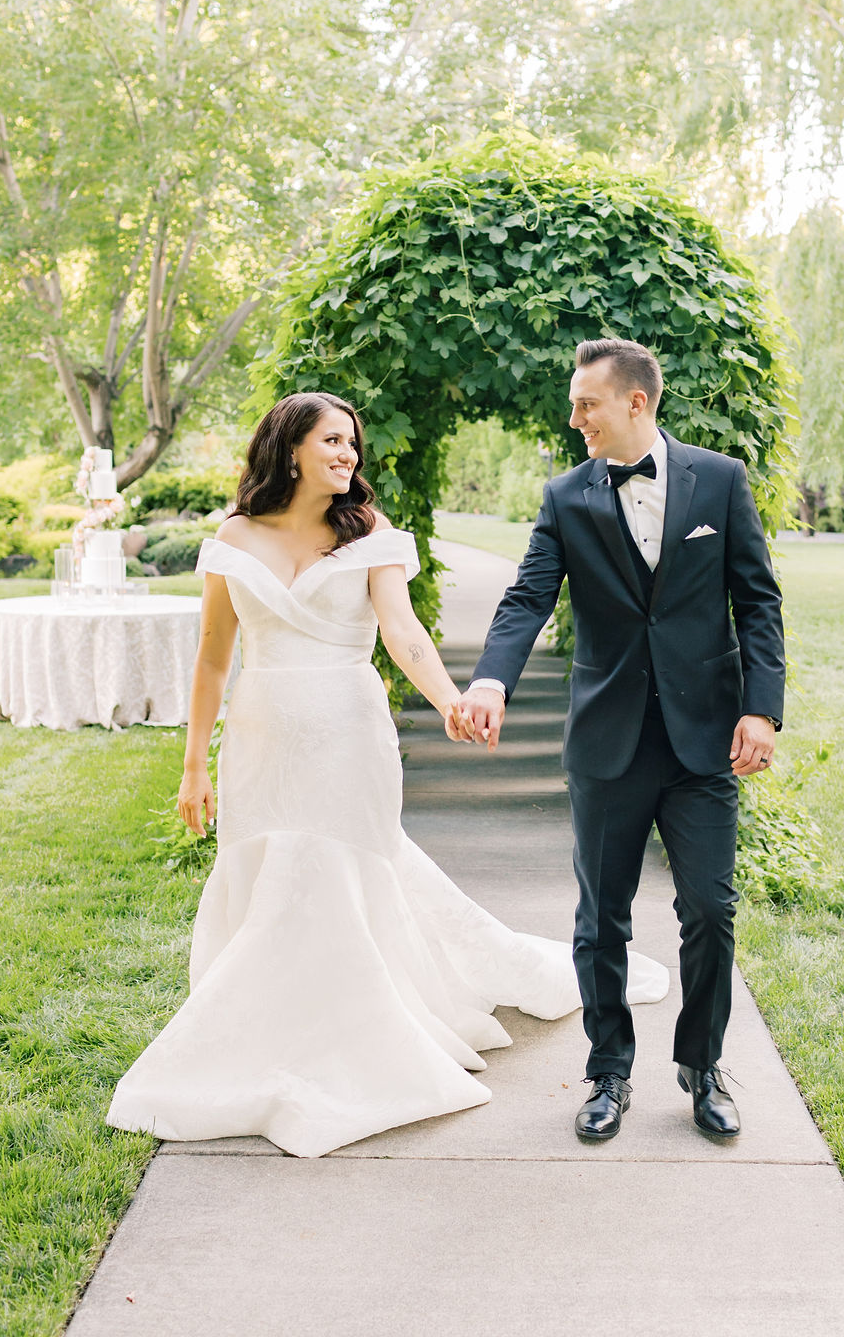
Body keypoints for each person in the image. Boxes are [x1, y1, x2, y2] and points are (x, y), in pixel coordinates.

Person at [107, 391, 668, 1158]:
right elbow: (211, 659)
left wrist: (450, 702)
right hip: (262, 736)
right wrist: (191, 767)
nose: (348, 455)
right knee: (271, 866)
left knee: (338, 866)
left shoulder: (368, 531)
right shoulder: (234, 536)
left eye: (353, 444)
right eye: (333, 441)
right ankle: (270, 1019)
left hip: (348, 733)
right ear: (290, 447)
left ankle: (356, 1026)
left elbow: (402, 635)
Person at [453, 339, 785, 1142]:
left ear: (636, 403)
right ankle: (608, 1072)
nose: (574, 420)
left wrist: (761, 710)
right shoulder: (567, 498)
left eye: (586, 404)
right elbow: (528, 595)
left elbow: (759, 602)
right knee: (602, 918)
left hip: (704, 738)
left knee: (709, 907)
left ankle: (701, 1066)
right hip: (607, 740)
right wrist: (492, 679)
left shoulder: (722, 481)